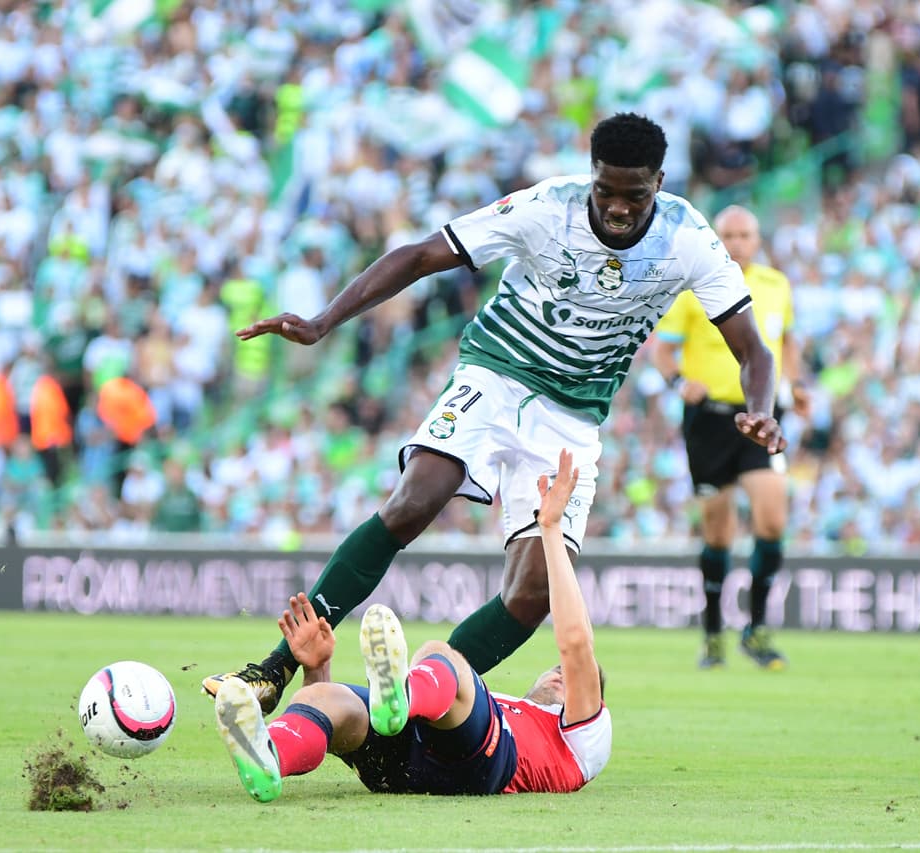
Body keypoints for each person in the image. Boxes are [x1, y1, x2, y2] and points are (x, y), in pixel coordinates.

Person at [206, 112, 786, 713]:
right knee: (415, 499)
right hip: (498, 371)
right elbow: (422, 255)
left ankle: (413, 705)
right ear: (590, 175)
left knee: (533, 593)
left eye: (634, 196)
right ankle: (272, 670)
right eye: (605, 190)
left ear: (659, 184)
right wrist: (325, 320)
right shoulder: (546, 208)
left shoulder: (686, 238)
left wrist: (762, 409)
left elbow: (753, 348)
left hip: (572, 417)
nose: (617, 207)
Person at [214, 449, 610, 801]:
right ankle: (272, 756)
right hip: (401, 771)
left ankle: (402, 697)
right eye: (557, 672)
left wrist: (551, 528)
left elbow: (575, 644)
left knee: (442, 656)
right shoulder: (511, 704)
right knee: (323, 701)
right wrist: (316, 665)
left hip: (487, 766)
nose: (562, 676)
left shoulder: (579, 734)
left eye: (575, 679)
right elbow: (341, 734)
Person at [651, 205, 809, 670]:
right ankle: (714, 631)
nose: (738, 242)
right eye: (729, 235)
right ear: (716, 239)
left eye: (746, 234)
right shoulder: (694, 287)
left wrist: (797, 385)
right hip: (710, 420)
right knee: (717, 531)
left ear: (758, 238)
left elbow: (788, 341)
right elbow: (662, 350)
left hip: (762, 416)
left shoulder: (777, 285)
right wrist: (680, 383)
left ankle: (757, 628)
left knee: (773, 519)